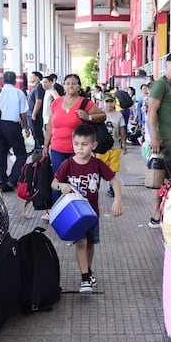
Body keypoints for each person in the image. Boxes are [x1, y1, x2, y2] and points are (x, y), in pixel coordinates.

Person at [52, 124, 123, 292]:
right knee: (81, 242)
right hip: (75, 215)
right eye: (76, 144)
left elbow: (114, 180)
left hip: (92, 213)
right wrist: (61, 186)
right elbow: (53, 183)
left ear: (94, 146)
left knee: (91, 244)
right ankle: (84, 278)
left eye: (84, 144)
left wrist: (117, 200)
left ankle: (88, 270)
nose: (79, 148)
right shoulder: (67, 164)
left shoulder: (97, 164)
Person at [43, 74, 106, 204]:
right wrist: (45, 145)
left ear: (79, 87)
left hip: (78, 150)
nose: (70, 85)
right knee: (58, 180)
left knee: (77, 180)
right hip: (57, 149)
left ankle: (79, 209)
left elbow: (102, 115)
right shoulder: (56, 102)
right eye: (68, 83)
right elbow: (50, 125)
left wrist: (88, 117)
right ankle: (56, 210)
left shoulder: (85, 103)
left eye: (74, 83)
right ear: (64, 86)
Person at [147, 52, 171, 228]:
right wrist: (155, 137)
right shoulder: (160, 84)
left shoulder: (170, 86)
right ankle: (163, 217)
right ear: (166, 66)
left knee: (164, 179)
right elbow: (151, 112)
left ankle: (160, 216)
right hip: (166, 140)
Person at [0, 70, 30, 192]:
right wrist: (26, 128)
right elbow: (23, 113)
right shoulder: (19, 93)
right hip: (13, 126)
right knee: (21, 154)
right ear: (15, 81)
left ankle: (3, 181)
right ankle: (12, 179)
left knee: (0, 153)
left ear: (3, 80)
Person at [95, 95, 127, 198]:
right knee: (99, 168)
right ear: (103, 103)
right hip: (102, 147)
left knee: (113, 168)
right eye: (107, 102)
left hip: (115, 146)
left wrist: (124, 144)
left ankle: (110, 186)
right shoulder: (99, 114)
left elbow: (122, 130)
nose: (109, 104)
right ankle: (95, 186)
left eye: (111, 102)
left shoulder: (119, 115)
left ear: (114, 102)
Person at [26, 71, 46, 151]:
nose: (30, 77)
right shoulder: (35, 87)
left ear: (37, 78)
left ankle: (40, 148)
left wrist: (34, 114)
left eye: (32, 76)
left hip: (35, 115)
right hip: (31, 113)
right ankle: (37, 147)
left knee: (37, 132)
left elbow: (39, 101)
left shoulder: (38, 87)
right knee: (34, 132)